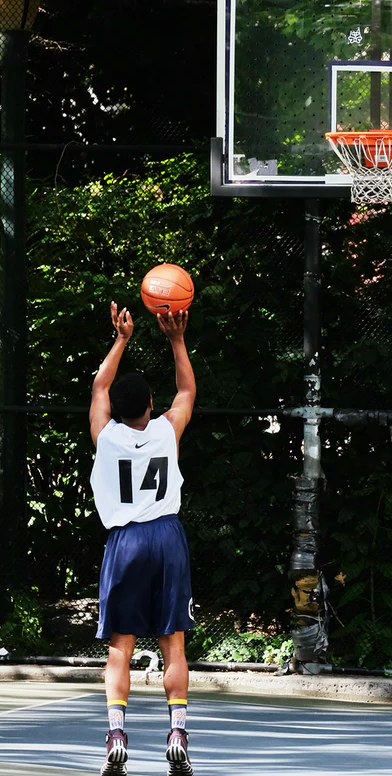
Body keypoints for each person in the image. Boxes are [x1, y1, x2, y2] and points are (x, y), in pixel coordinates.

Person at [89, 302, 196, 776]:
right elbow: (188, 390)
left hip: (126, 542)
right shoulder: (166, 431)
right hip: (167, 537)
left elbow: (98, 386)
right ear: (151, 407)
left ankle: (116, 734)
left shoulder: (105, 436)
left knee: (121, 645)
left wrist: (122, 337)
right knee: (174, 643)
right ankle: (177, 732)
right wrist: (175, 337)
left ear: (115, 408)